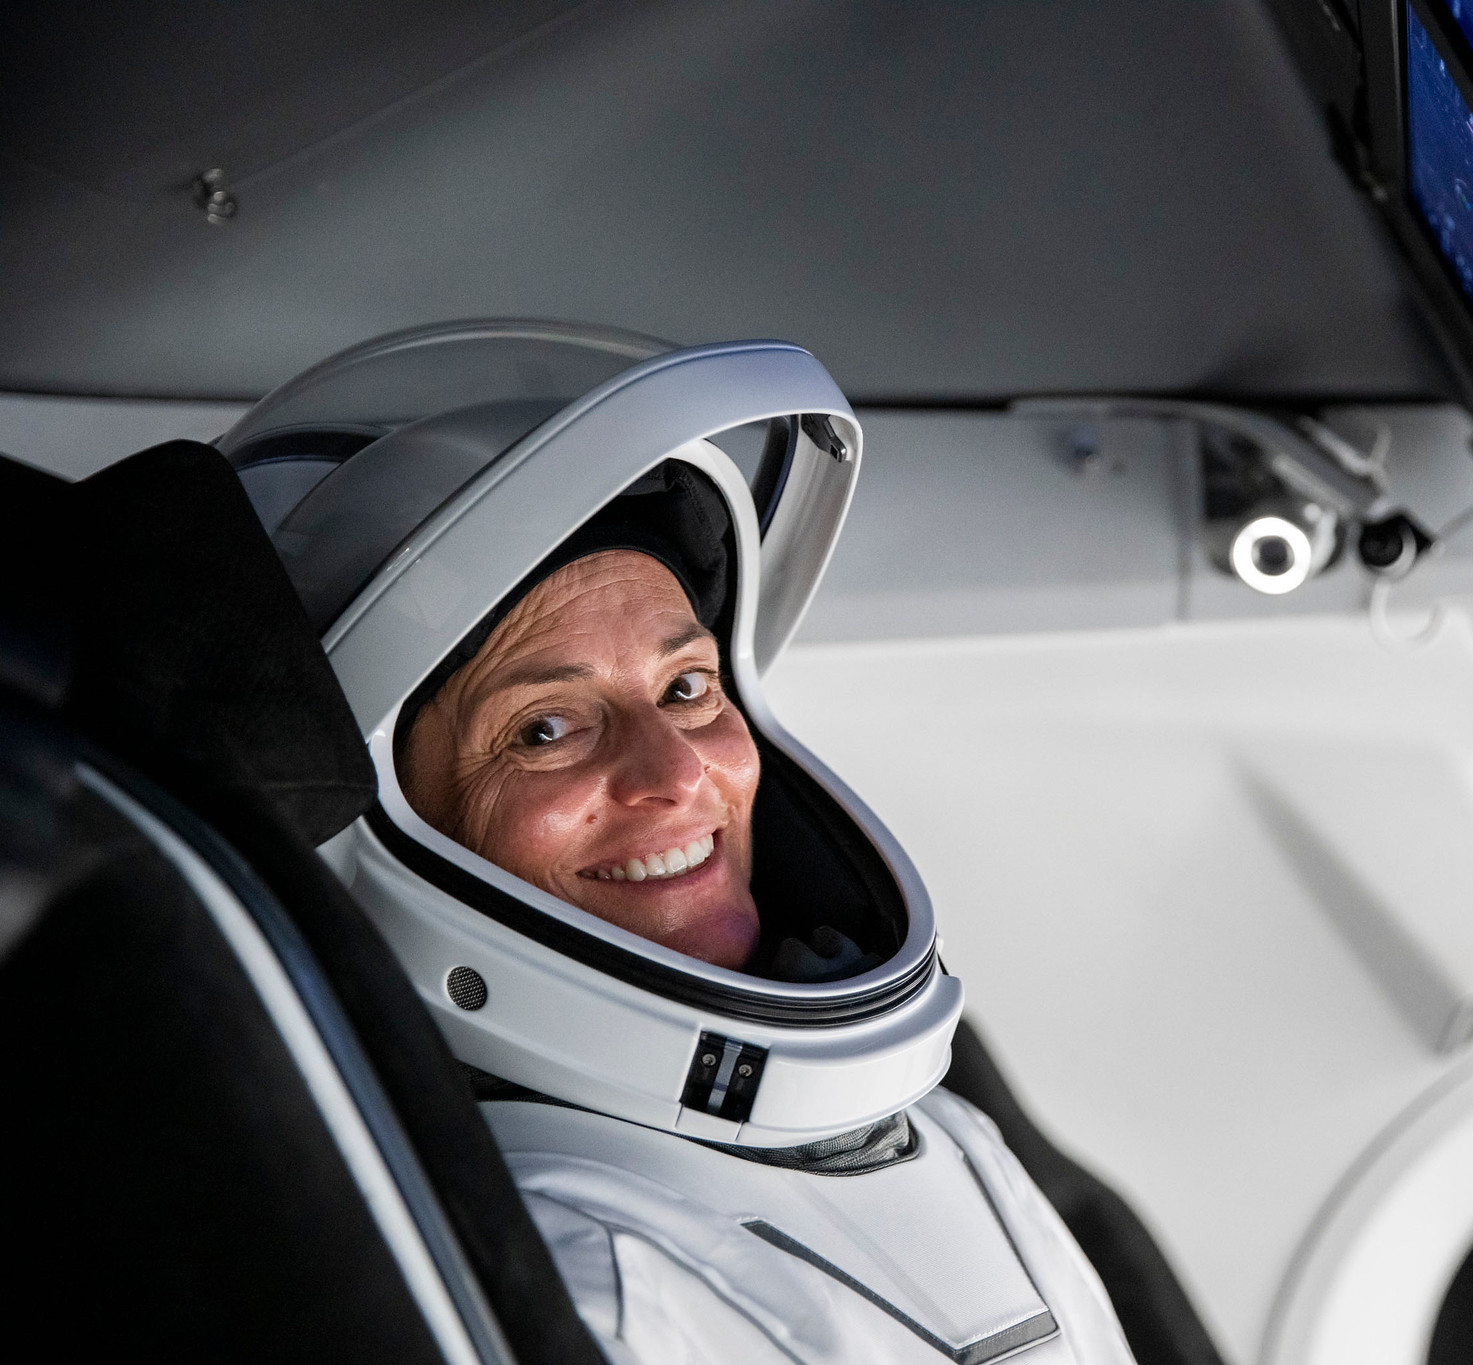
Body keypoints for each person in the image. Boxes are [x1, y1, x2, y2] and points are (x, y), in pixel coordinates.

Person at [229, 322, 1136, 1365]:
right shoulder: (577, 1282)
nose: (675, 776)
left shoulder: (946, 1129)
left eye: (686, 687)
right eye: (544, 729)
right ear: (392, 823)